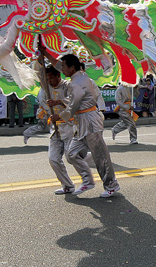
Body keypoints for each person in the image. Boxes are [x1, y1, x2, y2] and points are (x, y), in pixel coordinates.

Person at [50, 53, 121, 198]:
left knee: (100, 155)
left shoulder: (77, 82)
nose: (61, 69)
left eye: (64, 66)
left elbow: (73, 106)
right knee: (71, 153)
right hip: (80, 122)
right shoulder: (77, 77)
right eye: (61, 66)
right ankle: (88, 180)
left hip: (90, 120)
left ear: (72, 67)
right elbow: (58, 66)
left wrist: (58, 116)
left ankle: (111, 185)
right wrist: (45, 52)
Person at [35, 60, 79, 195]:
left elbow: (74, 101)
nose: (49, 81)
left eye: (51, 78)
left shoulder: (67, 86)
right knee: (53, 158)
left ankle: (89, 159)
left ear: (58, 76)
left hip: (70, 127)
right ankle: (67, 185)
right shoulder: (46, 89)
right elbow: (38, 74)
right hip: (56, 130)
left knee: (71, 157)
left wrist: (59, 109)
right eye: (47, 78)